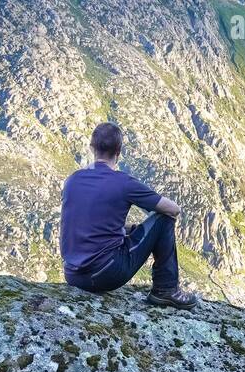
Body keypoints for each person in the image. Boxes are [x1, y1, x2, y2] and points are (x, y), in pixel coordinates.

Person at [60, 122, 198, 309]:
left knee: (139, 227)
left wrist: (131, 229)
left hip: (73, 276)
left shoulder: (72, 180)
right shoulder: (124, 183)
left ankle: (165, 289)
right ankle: (166, 289)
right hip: (106, 274)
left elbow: (88, 223)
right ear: (119, 151)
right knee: (163, 219)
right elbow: (173, 209)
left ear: (92, 148)